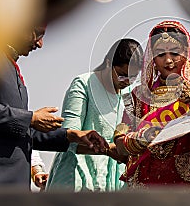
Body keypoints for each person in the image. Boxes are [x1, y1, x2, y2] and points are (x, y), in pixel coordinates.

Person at [0, 25, 109, 189]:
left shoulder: (9, 65)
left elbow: (21, 131)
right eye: (38, 34)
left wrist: (71, 135)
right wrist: (31, 118)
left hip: (11, 188)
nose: (40, 43)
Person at [112, 20, 190, 188]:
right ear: (152, 59)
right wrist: (138, 140)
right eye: (160, 54)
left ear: (185, 54)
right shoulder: (139, 96)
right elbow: (121, 146)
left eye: (174, 53)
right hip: (146, 186)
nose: (168, 61)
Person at [46, 38, 143, 192]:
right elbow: (68, 136)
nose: (128, 82)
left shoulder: (128, 96)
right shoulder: (83, 85)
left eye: (133, 77)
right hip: (76, 182)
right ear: (108, 63)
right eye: (123, 75)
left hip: (110, 187)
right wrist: (110, 149)